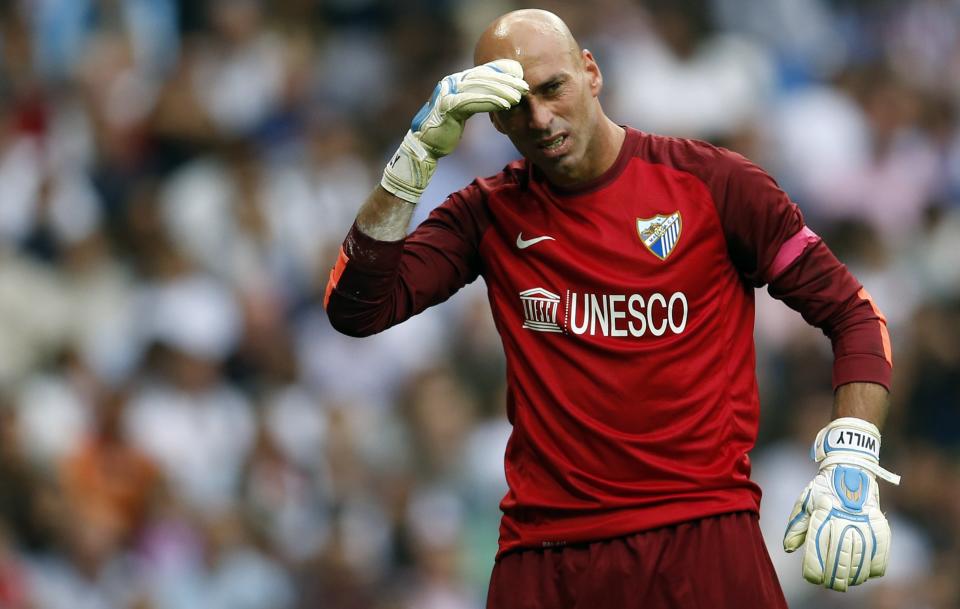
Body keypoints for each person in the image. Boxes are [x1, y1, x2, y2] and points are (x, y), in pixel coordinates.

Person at [324, 9, 900, 608]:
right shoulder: (486, 214)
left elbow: (853, 315)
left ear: (591, 73)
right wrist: (414, 158)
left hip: (702, 538)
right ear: (491, 118)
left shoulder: (714, 184)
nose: (540, 119)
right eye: (516, 105)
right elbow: (356, 310)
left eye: (552, 89)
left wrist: (852, 456)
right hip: (546, 557)